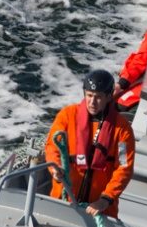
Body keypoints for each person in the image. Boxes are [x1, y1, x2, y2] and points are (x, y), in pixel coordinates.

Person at [44, 69, 135, 218]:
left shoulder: (122, 129)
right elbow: (52, 147)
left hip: (100, 210)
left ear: (108, 97)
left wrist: (105, 200)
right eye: (89, 95)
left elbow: (124, 168)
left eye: (98, 97)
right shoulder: (67, 116)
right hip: (63, 202)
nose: (92, 102)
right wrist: (56, 168)